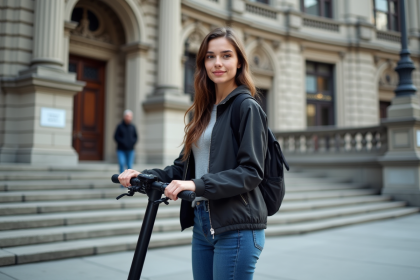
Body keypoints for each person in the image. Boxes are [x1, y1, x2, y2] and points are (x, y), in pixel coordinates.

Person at [118, 27, 267, 280]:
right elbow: (183, 168)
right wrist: (143, 175)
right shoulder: (204, 112)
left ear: (240, 62)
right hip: (202, 222)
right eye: (210, 56)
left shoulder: (246, 107)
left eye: (226, 55)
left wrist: (196, 185)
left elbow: (251, 172)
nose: (217, 63)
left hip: (237, 227)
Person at [114, 109, 138, 174]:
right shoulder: (120, 126)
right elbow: (116, 137)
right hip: (121, 150)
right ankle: (122, 182)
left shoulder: (133, 127)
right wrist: (123, 142)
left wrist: (132, 143)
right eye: (127, 116)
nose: (128, 118)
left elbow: (136, 137)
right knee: (122, 164)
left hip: (130, 150)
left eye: (130, 116)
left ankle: (128, 182)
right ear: (124, 117)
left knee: (129, 166)